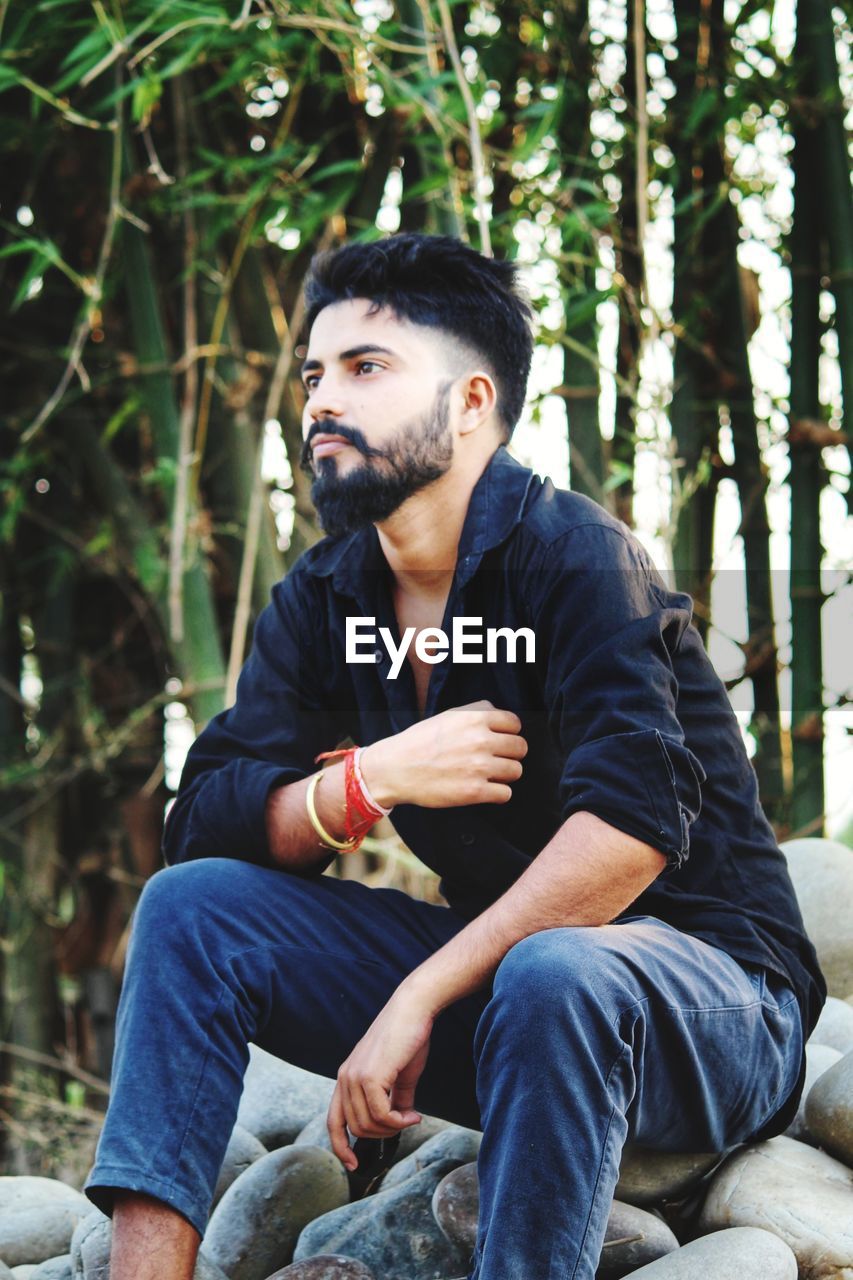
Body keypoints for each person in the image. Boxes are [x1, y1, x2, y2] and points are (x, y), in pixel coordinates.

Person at [85, 233, 825, 1280]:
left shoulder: (575, 557)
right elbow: (202, 818)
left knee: (555, 967)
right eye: (312, 373)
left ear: (471, 401)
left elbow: (630, 836)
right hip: (516, 1006)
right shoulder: (327, 596)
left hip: (713, 1013)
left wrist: (414, 995)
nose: (318, 401)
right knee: (189, 908)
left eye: (365, 367)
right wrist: (368, 778)